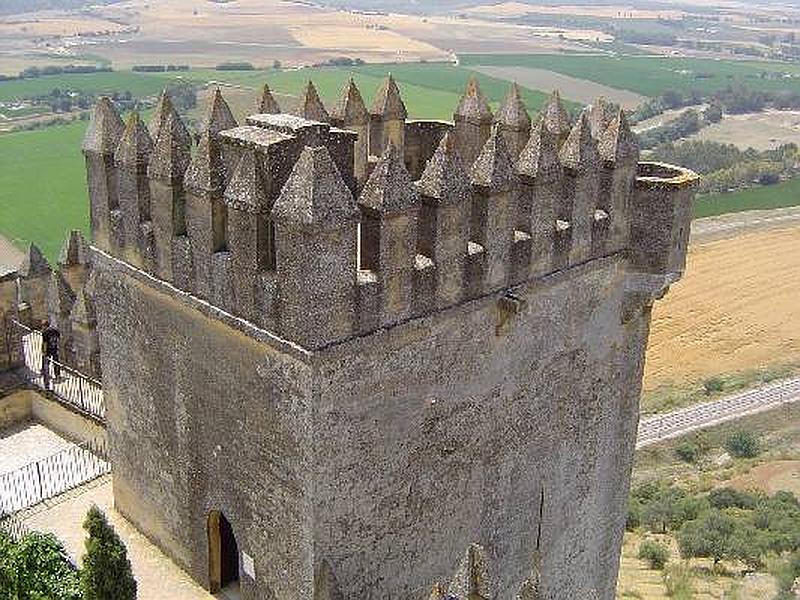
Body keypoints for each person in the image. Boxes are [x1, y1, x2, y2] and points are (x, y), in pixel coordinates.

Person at [41, 320, 61, 387]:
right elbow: (58, 336)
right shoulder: (54, 330)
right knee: (56, 362)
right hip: (54, 348)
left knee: (46, 363)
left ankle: (46, 375)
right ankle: (57, 375)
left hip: (48, 350)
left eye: (42, 326)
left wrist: (44, 351)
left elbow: (45, 343)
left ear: (44, 326)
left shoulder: (45, 332)